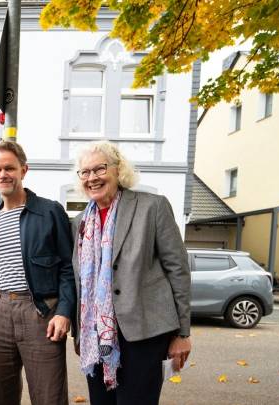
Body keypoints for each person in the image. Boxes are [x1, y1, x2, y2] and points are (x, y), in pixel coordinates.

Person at [72, 141, 191, 405]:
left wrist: (182, 334)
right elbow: (80, 281)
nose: (92, 178)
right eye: (85, 172)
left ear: (118, 170)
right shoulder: (80, 223)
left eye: (100, 169)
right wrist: (79, 333)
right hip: (97, 337)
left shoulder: (152, 207)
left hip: (144, 334)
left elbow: (178, 270)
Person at [0, 141, 76, 405]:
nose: (3, 174)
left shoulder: (49, 211)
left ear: (24, 170)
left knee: (48, 395)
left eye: (9, 168)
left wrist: (65, 311)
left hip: (40, 311)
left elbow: (68, 267)